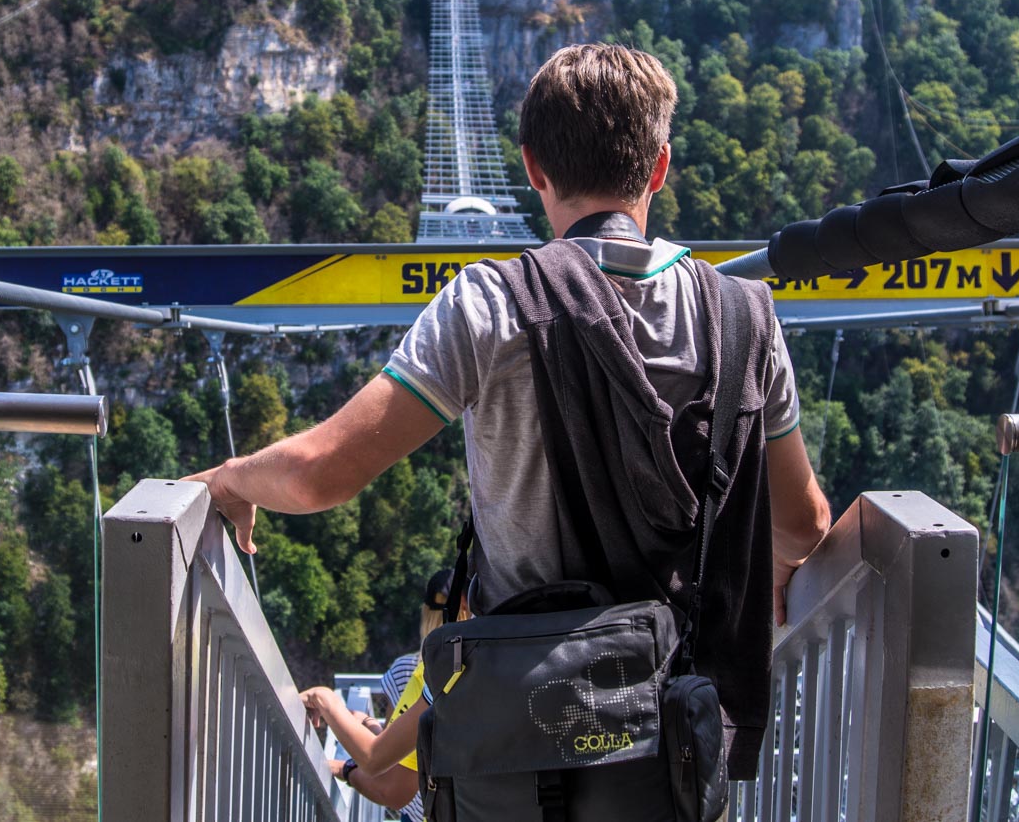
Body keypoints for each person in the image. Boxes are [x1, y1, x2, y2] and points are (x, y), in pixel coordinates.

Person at [189, 43, 832, 779]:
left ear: (532, 169)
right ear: (659, 167)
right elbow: (804, 522)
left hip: (520, 751)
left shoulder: (493, 303)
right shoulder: (746, 318)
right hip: (672, 754)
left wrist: (230, 479)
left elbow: (318, 475)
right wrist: (775, 565)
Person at [299, 569, 454, 820]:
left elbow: (390, 782)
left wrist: (326, 700)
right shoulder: (494, 664)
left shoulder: (429, 674)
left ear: (426, 613)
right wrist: (369, 724)